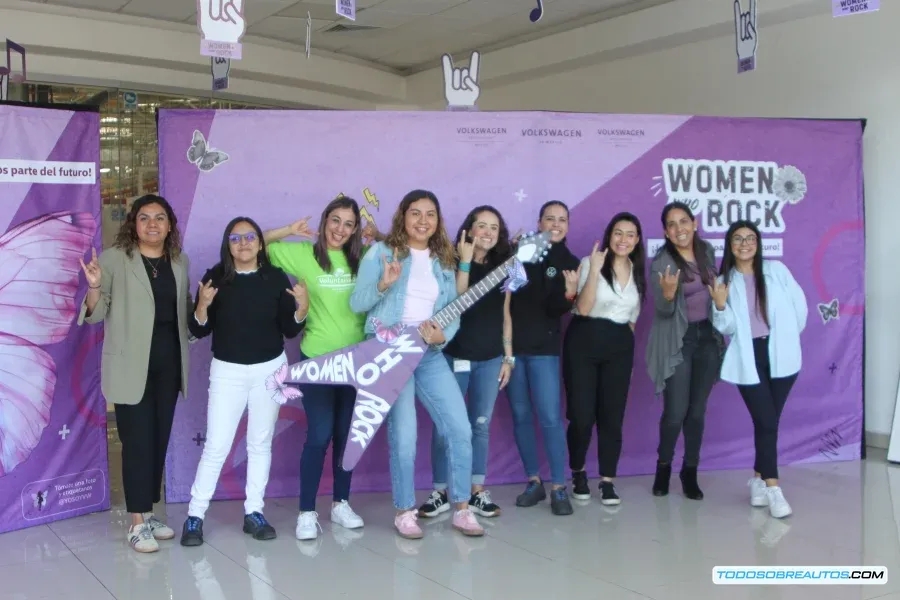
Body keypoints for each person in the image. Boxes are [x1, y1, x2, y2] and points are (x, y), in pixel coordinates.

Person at [350, 189, 483, 539]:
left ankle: (462, 508)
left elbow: (451, 310)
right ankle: (404, 510)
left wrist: (444, 335)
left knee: (459, 428)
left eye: (430, 214)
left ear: (438, 221)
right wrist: (383, 283)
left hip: (429, 352)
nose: (423, 221)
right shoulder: (380, 252)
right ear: (402, 217)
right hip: (391, 350)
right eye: (415, 213)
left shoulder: (444, 258)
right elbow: (357, 302)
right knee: (405, 435)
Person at [180, 217, 308, 546]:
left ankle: (254, 513)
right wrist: (203, 306)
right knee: (217, 446)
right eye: (236, 238)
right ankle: (195, 516)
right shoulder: (215, 278)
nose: (244, 243)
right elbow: (198, 330)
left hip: (270, 371)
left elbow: (290, 330)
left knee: (259, 443)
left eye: (250, 237)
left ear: (260, 243)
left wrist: (302, 310)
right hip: (228, 372)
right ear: (228, 245)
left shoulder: (276, 277)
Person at [78, 194, 193, 553]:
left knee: (158, 440)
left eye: (160, 217)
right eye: (145, 218)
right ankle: (137, 521)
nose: (153, 224)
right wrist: (95, 286)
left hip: (169, 365)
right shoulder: (114, 259)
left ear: (169, 224)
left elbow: (181, 314)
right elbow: (97, 315)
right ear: (134, 223)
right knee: (137, 442)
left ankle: (150, 511)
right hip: (131, 365)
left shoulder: (179, 261)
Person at [263, 197, 371, 541]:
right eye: (335, 221)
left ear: (356, 229)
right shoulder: (303, 254)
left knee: (346, 436)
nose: (340, 229)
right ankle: (307, 512)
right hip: (318, 362)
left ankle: (340, 503)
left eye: (348, 224)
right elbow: (255, 241)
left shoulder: (364, 260)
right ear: (325, 222)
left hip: (357, 363)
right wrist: (289, 230)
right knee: (320, 435)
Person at [419, 206, 514, 520]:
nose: (487, 232)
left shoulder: (504, 267)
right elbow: (458, 300)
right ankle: (441, 492)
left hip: (490, 359)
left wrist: (508, 356)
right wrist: (465, 260)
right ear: (469, 229)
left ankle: (476, 491)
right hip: (454, 355)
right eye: (481, 225)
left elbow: (506, 314)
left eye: (494, 227)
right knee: (446, 427)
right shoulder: (450, 261)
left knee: (480, 426)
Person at [710, 221, 807, 519]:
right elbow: (725, 328)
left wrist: (787, 339)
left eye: (750, 238)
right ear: (730, 244)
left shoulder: (776, 271)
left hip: (782, 356)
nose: (744, 244)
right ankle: (773, 488)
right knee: (766, 421)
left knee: (768, 423)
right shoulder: (724, 279)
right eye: (737, 239)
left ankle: (756, 480)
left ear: (758, 242)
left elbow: (799, 308)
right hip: (748, 357)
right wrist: (721, 305)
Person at [563, 213, 646, 506]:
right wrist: (595, 271)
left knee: (613, 415)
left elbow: (632, 319)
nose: (623, 240)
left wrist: (623, 347)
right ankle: (579, 472)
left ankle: (608, 480)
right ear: (610, 236)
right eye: (618, 233)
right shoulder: (590, 263)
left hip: (619, 347)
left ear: (637, 240)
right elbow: (583, 308)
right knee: (582, 416)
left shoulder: (638, 271)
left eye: (630, 234)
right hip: (584, 341)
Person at [506, 200, 581, 516]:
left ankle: (559, 486)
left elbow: (555, 310)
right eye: (549, 218)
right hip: (512, 350)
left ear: (568, 225)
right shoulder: (521, 251)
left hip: (544, 350)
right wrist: (512, 254)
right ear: (539, 222)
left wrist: (569, 294)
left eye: (561, 219)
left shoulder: (569, 261)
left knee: (550, 418)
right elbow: (507, 295)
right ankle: (533, 481)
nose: (555, 223)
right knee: (521, 416)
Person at [646, 201, 723, 500]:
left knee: (697, 412)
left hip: (708, 338)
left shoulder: (707, 252)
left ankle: (690, 471)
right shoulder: (662, 262)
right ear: (666, 231)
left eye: (683, 221)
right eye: (672, 224)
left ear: (694, 223)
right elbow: (664, 311)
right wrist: (667, 296)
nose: (679, 228)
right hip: (679, 341)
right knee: (676, 412)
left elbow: (718, 294)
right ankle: (663, 466)